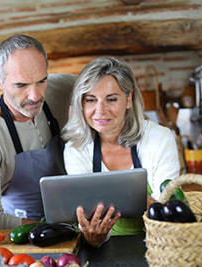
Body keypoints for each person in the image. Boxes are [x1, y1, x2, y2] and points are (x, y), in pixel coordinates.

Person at [62, 57, 180, 246]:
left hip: (159, 245)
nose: (100, 111)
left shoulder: (159, 138)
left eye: (111, 99)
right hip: (106, 249)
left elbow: (168, 209)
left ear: (129, 98)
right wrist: (94, 238)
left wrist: (117, 199)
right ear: (81, 105)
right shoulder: (76, 149)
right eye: (91, 100)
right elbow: (88, 216)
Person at [0, 34, 76, 233]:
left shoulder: (65, 88)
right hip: (23, 239)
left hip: (76, 220)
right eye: (21, 85)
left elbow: (113, 95)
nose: (35, 96)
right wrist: (56, 229)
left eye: (42, 81)